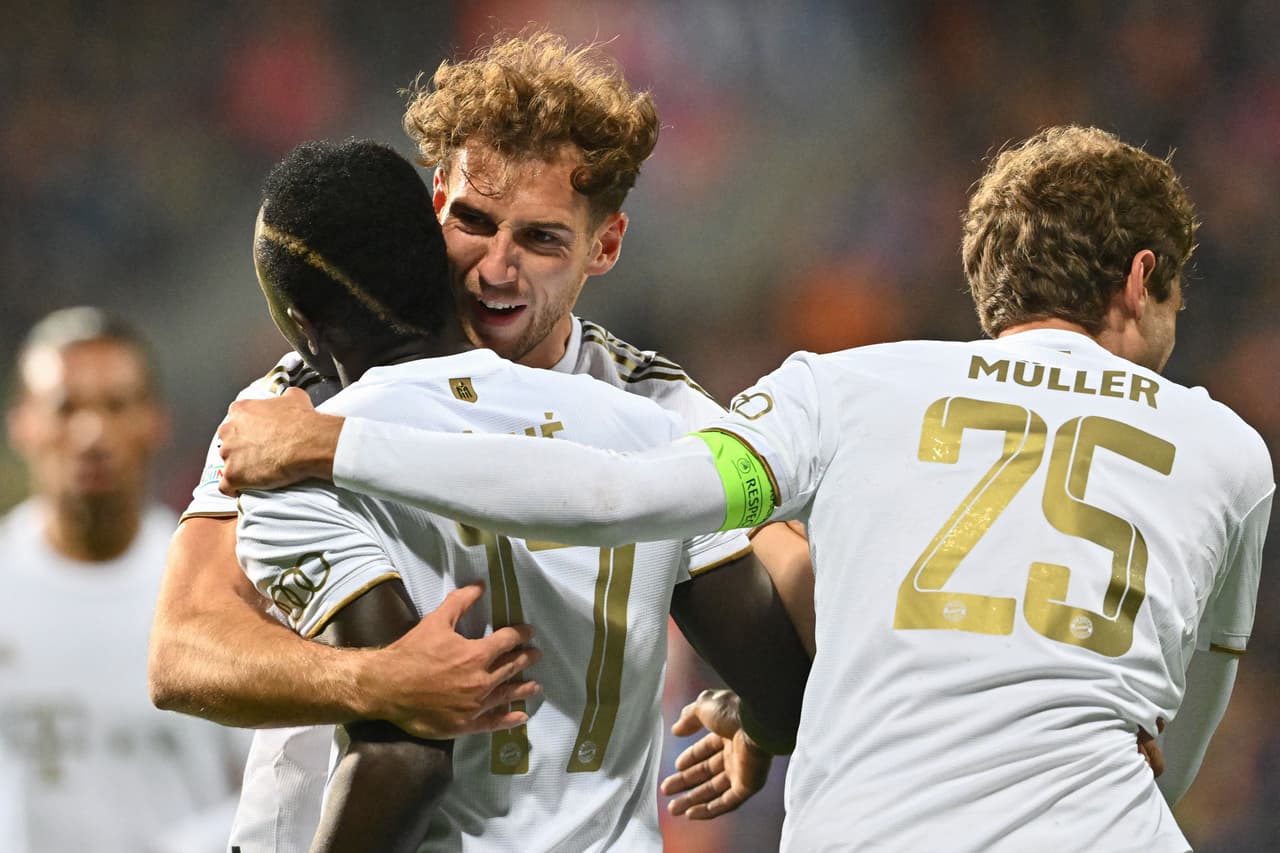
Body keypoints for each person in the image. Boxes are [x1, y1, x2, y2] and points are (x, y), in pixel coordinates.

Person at [216, 125, 1274, 852]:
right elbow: (1181, 729)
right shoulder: (1228, 451)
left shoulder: (841, 389)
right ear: (1139, 278)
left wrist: (333, 450)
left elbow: (618, 494)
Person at [147, 28, 812, 840]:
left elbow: (794, 584)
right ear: (435, 205)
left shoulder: (661, 408)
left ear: (605, 244)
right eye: (474, 221)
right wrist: (371, 680)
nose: (494, 268)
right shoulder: (295, 402)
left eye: (539, 238)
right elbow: (184, 648)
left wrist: (764, 716)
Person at [0, 308, 245, 853]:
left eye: (115, 405)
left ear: (157, 422)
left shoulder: (216, 587)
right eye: (66, 408)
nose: (91, 433)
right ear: (23, 425)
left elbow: (278, 778)